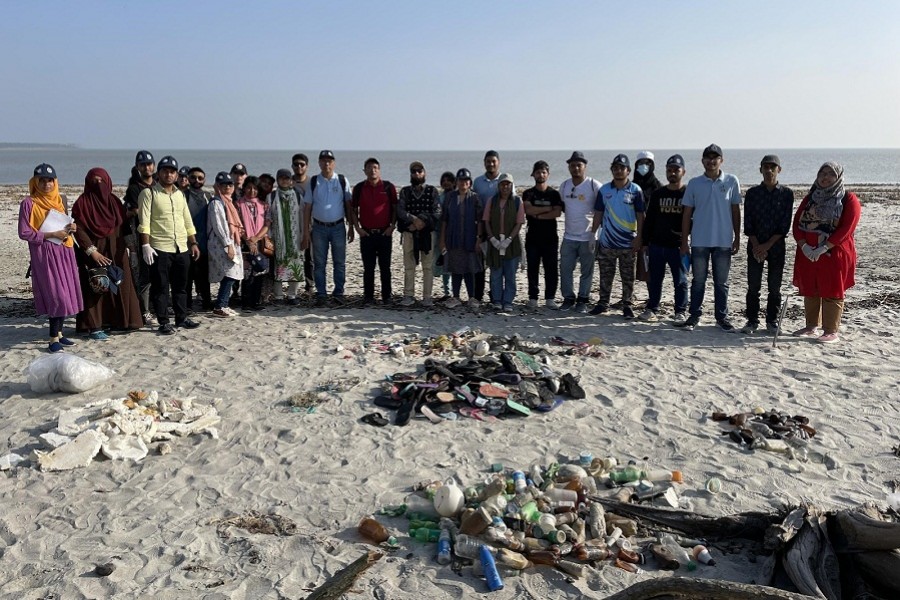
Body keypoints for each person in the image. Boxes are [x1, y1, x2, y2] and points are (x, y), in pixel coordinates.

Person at [791, 162, 860, 344]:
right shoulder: (810, 199)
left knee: (832, 290)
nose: (825, 177)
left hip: (833, 253)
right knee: (810, 288)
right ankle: (811, 325)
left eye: (830, 174)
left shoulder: (848, 199)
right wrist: (804, 245)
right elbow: (797, 225)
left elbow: (847, 228)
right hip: (808, 254)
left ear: (838, 177)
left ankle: (831, 330)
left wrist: (825, 247)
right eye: (822, 172)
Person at [18, 163, 83, 352]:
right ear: (35, 181)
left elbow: (64, 225)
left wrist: (72, 228)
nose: (47, 184)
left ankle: (60, 334)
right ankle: (53, 337)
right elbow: (24, 232)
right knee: (57, 294)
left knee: (66, 290)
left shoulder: (60, 200)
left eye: (50, 180)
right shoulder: (29, 203)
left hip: (64, 251)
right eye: (42, 180)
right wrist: (50, 235)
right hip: (44, 254)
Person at [676, 144, 741, 331]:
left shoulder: (731, 181)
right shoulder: (695, 184)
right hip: (699, 241)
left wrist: (737, 238)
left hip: (723, 241)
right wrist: (684, 242)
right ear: (702, 160)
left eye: (715, 158)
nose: (711, 161)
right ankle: (694, 316)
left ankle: (722, 317)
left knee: (722, 282)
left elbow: (735, 211)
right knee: (698, 281)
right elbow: (687, 214)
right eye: (707, 158)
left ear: (721, 160)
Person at [71, 167, 142, 338]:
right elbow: (78, 230)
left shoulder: (114, 202)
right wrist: (92, 252)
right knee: (97, 286)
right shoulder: (82, 203)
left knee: (121, 285)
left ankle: (123, 322)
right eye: (94, 181)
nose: (99, 184)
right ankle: (94, 326)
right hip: (95, 252)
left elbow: (124, 226)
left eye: (102, 181)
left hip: (117, 250)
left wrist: (131, 248)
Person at [138, 155, 201, 335]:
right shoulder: (149, 193)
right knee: (161, 287)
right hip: (160, 247)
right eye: (165, 171)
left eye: (172, 171)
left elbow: (187, 221)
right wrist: (145, 246)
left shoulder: (180, 194)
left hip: (181, 247)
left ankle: (181, 318)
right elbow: (144, 222)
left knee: (181, 286)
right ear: (159, 173)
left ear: (176, 175)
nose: (169, 174)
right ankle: (164, 321)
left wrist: (193, 243)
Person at [741, 155, 794, 334]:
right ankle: (752, 320)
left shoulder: (786, 194)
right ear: (760, 169)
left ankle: (772, 321)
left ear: (779, 169)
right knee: (753, 286)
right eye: (766, 167)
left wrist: (767, 245)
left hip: (777, 246)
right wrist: (757, 245)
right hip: (755, 245)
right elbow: (747, 223)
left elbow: (785, 225)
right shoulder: (752, 193)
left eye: (773, 167)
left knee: (774, 288)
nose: (769, 170)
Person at [590, 154, 645, 319]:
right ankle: (603, 303)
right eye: (615, 168)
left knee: (628, 276)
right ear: (611, 170)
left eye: (622, 168)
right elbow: (598, 213)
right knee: (606, 274)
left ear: (628, 170)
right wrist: (593, 235)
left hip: (628, 243)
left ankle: (627, 305)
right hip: (607, 242)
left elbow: (641, 215)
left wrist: (640, 237)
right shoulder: (604, 190)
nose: (618, 171)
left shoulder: (636, 190)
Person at [640, 154, 689, 322]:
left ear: (683, 172)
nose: (673, 173)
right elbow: (649, 219)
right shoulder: (658, 193)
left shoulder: (688, 193)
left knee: (680, 281)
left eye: (676, 170)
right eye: (670, 170)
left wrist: (687, 242)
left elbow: (693, 220)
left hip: (678, 246)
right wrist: (645, 242)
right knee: (655, 279)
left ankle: (680, 311)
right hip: (657, 245)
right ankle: (652, 308)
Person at [302, 150, 352, 306]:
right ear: (319, 163)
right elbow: (307, 207)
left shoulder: (342, 180)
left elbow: (349, 205)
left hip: (338, 227)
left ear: (334, 163)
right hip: (318, 228)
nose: (326, 163)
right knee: (319, 263)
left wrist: (351, 226)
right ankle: (321, 294)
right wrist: (306, 231)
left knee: (339, 262)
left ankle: (338, 293)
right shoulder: (314, 181)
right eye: (323, 161)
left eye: (329, 161)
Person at [559, 151, 602, 313]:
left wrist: (594, 233)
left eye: (579, 165)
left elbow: (600, 210)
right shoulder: (564, 186)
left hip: (588, 237)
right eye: (572, 165)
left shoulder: (594, 185)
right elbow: (563, 207)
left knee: (587, 271)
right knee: (565, 268)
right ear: (569, 167)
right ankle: (568, 298)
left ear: (585, 166)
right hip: (569, 236)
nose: (575, 168)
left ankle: (583, 300)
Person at [350, 158, 397, 305]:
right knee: (368, 268)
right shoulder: (359, 188)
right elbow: (353, 209)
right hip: (367, 234)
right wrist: (357, 228)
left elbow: (395, 208)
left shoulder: (389, 187)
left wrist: (392, 226)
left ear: (379, 169)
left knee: (385, 267)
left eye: (375, 167)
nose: (373, 170)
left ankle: (387, 297)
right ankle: (368, 297)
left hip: (384, 233)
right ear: (364, 170)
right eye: (369, 167)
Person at [397, 161, 441, 307]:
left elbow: (437, 212)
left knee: (427, 266)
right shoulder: (405, 191)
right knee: (409, 265)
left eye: (419, 171)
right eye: (414, 171)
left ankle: (427, 296)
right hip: (409, 233)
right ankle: (408, 295)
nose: (417, 174)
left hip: (427, 234)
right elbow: (400, 211)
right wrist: (413, 219)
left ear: (424, 173)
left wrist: (422, 220)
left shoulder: (432, 191)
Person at [439, 168, 484, 308]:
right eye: (460, 180)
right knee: (456, 268)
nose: (463, 183)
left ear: (470, 182)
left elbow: (480, 220)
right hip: (453, 238)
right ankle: (456, 296)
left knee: (469, 269)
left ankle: (471, 297)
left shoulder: (475, 198)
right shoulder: (450, 197)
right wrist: (442, 239)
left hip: (470, 238)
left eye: (466, 180)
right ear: (457, 182)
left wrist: (478, 239)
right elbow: (444, 220)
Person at [522, 160, 562, 310]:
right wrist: (547, 210)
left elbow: (557, 212)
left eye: (544, 172)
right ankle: (533, 298)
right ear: (533, 174)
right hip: (532, 236)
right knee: (533, 268)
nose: (541, 174)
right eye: (538, 172)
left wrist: (538, 213)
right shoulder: (528, 193)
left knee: (551, 268)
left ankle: (550, 298)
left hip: (550, 237)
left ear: (548, 174)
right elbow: (528, 210)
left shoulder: (554, 193)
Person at [483, 173, 524, 310]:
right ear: (498, 185)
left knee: (510, 273)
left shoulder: (517, 201)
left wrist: (509, 239)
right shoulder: (492, 201)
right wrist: (492, 239)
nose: (505, 186)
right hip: (494, 243)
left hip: (511, 244)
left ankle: (508, 301)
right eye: (502, 184)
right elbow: (486, 221)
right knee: (496, 274)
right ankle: (496, 300)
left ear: (511, 185)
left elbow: (519, 223)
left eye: (508, 184)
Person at [123, 150, 155, 324]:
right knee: (144, 274)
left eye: (149, 163)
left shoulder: (158, 184)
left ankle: (157, 306)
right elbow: (136, 212)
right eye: (143, 164)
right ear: (138, 167)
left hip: (159, 234)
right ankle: (145, 310)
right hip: (141, 235)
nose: (147, 167)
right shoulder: (134, 188)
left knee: (160, 272)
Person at [207, 172, 244, 318]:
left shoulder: (229, 203)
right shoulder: (216, 203)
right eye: (223, 185)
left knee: (231, 272)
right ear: (218, 186)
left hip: (230, 242)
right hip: (221, 243)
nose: (227, 187)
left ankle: (224, 303)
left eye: (230, 184)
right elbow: (219, 226)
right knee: (229, 273)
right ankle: (220, 305)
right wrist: (228, 244)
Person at [270, 169, 306, 304]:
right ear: (278, 180)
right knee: (278, 266)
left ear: (291, 180)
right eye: (281, 178)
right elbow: (268, 218)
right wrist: (269, 237)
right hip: (279, 238)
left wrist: (304, 235)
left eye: (287, 178)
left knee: (295, 264)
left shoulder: (297, 196)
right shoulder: (272, 196)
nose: (284, 180)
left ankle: (292, 294)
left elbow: (302, 217)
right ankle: (278, 295)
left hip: (295, 237)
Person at [236, 176, 270, 311]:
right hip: (244, 242)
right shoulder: (238, 204)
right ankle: (246, 303)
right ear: (244, 188)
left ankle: (256, 302)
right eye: (249, 187)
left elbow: (267, 224)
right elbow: (237, 225)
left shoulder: (264, 205)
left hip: (260, 242)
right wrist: (248, 240)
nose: (252, 191)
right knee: (247, 273)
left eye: (255, 188)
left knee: (259, 271)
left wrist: (256, 239)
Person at [472, 150, 501, 303]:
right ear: (484, 163)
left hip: (498, 228)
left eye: (493, 161)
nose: (491, 164)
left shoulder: (504, 181)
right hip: (480, 228)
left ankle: (495, 295)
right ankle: (478, 295)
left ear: (498, 163)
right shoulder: (477, 182)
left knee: (495, 263)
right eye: (488, 161)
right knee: (479, 263)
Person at [185, 166, 213, 312]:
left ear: (204, 180)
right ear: (188, 178)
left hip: (204, 243)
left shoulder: (208, 197)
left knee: (204, 277)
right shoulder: (183, 195)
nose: (197, 180)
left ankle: (207, 303)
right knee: (187, 277)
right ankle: (187, 305)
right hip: (186, 243)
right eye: (193, 177)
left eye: (200, 178)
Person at [633, 151, 662, 285]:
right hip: (631, 230)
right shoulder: (631, 186)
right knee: (630, 267)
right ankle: (627, 297)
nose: (644, 166)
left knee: (650, 266)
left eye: (647, 163)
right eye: (641, 163)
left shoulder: (658, 187)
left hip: (652, 233)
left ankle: (652, 297)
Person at [291, 152, 315, 294]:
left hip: (311, 226)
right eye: (296, 164)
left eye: (302, 164)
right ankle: (292, 286)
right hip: (293, 227)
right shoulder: (288, 182)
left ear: (307, 166)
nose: (299, 167)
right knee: (293, 257)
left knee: (310, 258)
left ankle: (310, 285)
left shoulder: (312, 183)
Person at [433, 171, 456, 300]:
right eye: (444, 180)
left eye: (449, 180)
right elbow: (436, 214)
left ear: (454, 182)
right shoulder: (439, 197)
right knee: (441, 263)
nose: (446, 182)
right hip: (439, 233)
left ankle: (452, 292)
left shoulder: (457, 197)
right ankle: (447, 292)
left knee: (452, 264)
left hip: (453, 235)